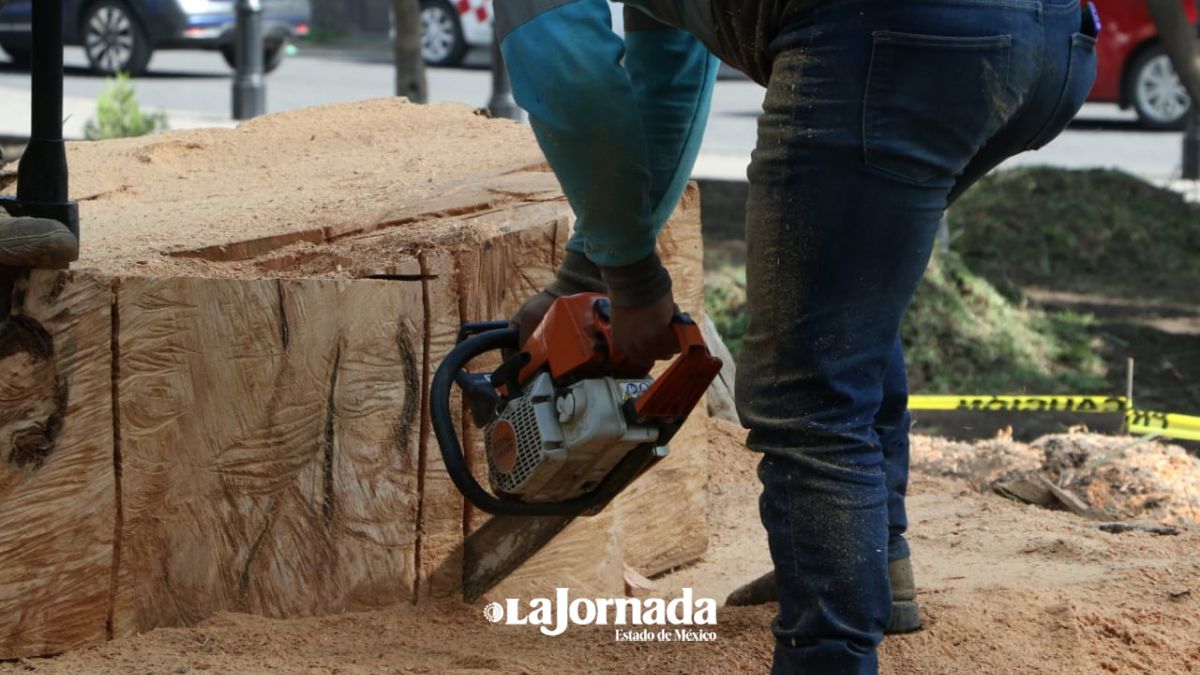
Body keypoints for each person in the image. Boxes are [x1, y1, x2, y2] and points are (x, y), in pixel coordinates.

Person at [496, 0, 1098, 672]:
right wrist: (594, 272)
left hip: (894, 33)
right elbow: (670, 69)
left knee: (806, 393)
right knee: (845, 275)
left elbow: (567, 67)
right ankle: (875, 562)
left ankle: (827, 655)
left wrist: (632, 280)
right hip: (1051, 40)